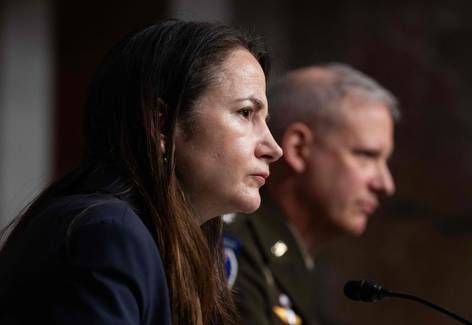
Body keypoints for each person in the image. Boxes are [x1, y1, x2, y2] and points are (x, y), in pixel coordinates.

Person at [0, 20, 282, 325]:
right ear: (161, 124)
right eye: (245, 113)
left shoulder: (166, 239)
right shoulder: (107, 234)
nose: (272, 147)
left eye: (265, 120)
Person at [223, 63, 399, 325]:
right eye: (366, 156)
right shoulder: (234, 251)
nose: (386, 184)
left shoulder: (288, 261)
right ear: (298, 148)